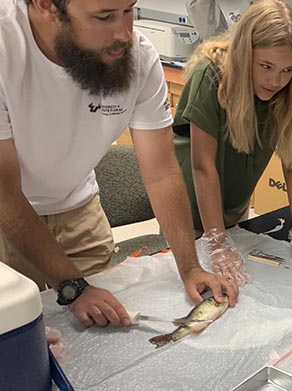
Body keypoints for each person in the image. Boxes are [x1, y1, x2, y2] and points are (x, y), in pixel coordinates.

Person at [0, 0, 238, 328]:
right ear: (45, 5)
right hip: (6, 218)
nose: (124, 33)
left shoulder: (137, 56)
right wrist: (75, 287)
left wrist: (190, 267)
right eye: (104, 17)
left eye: (129, 10)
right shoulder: (5, 45)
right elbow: (5, 194)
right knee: (17, 338)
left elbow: (162, 172)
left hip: (78, 211)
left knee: (96, 333)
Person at [173, 0, 292, 285]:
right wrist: (217, 243)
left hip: (233, 206)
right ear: (245, 53)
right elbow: (202, 167)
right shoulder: (211, 76)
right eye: (265, 66)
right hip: (190, 206)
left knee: (239, 287)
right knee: (197, 288)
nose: (275, 80)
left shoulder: (284, 92)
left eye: (287, 70)